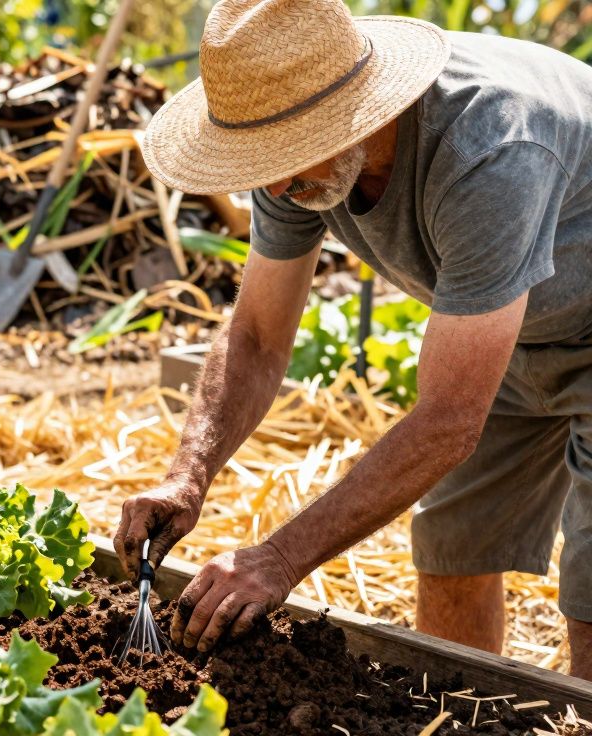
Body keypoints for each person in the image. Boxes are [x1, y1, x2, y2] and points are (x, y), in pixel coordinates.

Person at [116, 0, 592, 680]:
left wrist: (279, 559)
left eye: (287, 155)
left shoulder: (491, 150)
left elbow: (450, 420)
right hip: (520, 325)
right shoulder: (291, 160)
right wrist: (188, 476)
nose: (274, 184)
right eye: (260, 159)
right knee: (454, 544)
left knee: (590, 587)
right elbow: (255, 336)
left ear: (363, 110)